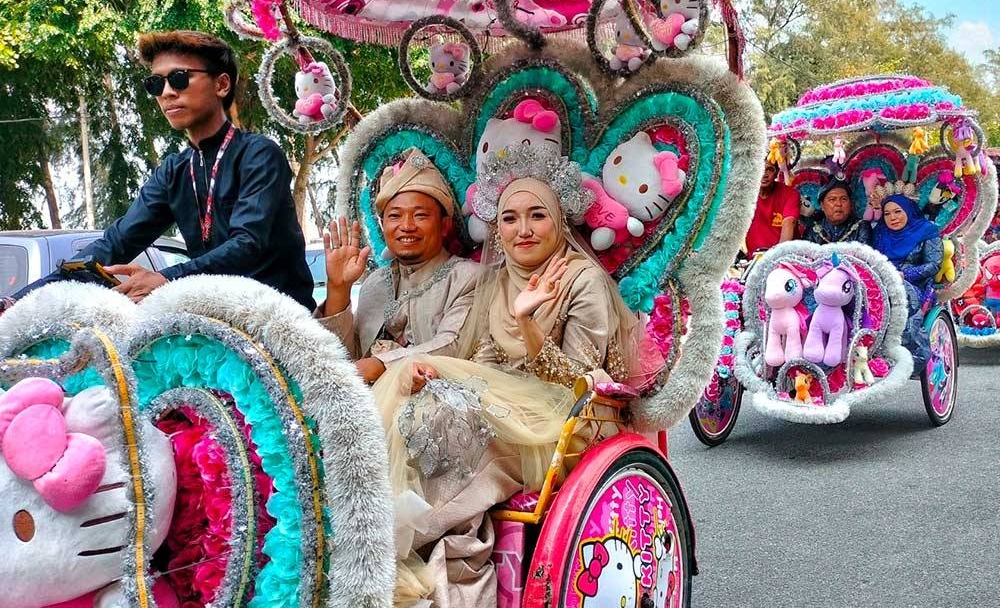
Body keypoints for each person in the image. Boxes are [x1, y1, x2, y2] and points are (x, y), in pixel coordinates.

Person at [376, 144, 655, 607]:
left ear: (560, 222)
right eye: (508, 218)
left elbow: (577, 383)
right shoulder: (498, 280)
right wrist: (441, 380)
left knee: (458, 431)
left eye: (536, 216)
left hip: (561, 422)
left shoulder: (580, 279)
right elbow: (485, 362)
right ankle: (408, 535)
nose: (522, 230)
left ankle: (394, 541)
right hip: (503, 408)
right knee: (425, 405)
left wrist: (528, 324)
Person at [3, 30, 314, 310]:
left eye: (179, 78)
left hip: (278, 319)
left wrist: (165, 279)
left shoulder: (259, 154)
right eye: (155, 83)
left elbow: (247, 244)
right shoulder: (175, 171)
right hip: (215, 321)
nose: (166, 92)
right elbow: (115, 244)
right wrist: (19, 301)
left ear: (221, 84)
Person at [315, 147, 479, 384]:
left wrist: (382, 364)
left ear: (444, 226)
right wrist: (339, 290)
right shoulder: (375, 283)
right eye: (395, 216)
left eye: (420, 215)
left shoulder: (467, 278)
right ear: (383, 226)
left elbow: (453, 345)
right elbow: (343, 361)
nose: (407, 226)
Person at [872, 189, 943, 368]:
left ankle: (914, 356)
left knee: (901, 291)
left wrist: (905, 275)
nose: (892, 218)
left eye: (898, 212)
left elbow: (933, 265)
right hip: (882, 283)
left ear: (908, 211)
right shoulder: (880, 232)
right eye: (887, 213)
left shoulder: (927, 230)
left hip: (916, 286)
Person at [744, 161, 800, 254]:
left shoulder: (790, 194)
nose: (764, 174)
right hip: (754, 258)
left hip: (785, 257)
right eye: (760, 168)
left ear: (777, 172)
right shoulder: (744, 196)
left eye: (769, 169)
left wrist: (777, 257)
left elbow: (789, 222)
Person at [803, 179, 871, 245]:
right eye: (832, 200)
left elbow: (862, 254)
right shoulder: (812, 230)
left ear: (851, 204)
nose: (838, 204)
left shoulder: (861, 227)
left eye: (843, 199)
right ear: (822, 205)